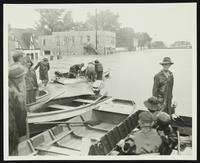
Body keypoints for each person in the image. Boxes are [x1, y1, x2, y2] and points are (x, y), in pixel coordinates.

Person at [9, 64, 27, 155]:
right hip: (13, 136)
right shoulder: (13, 93)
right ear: (18, 78)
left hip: (14, 134)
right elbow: (14, 119)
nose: (24, 78)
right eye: (23, 76)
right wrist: (18, 137)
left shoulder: (12, 89)